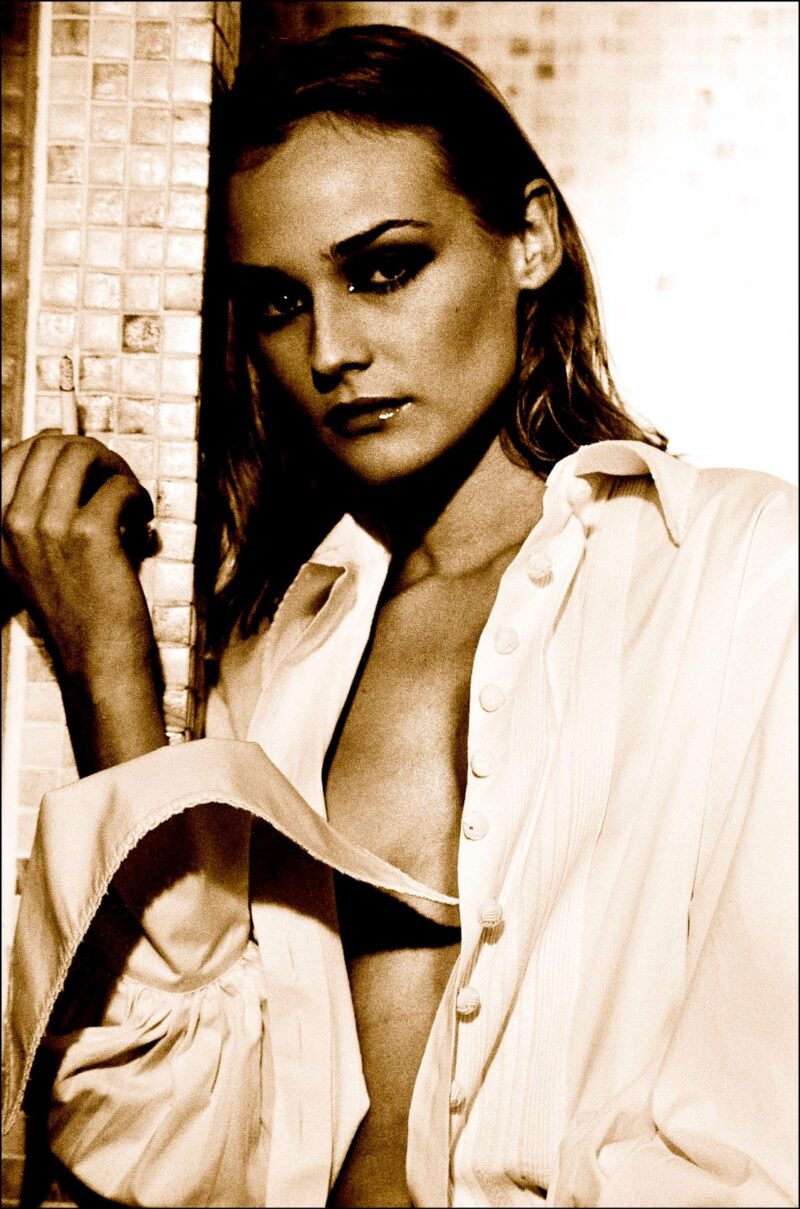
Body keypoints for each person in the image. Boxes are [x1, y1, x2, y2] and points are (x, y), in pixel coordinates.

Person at [1, 23, 796, 1209]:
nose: (331, 351)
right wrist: (110, 673)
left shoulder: (735, 568)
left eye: (383, 268)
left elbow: (761, 1124)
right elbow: (167, 1144)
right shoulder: (277, 659)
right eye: (279, 302)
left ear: (528, 240)